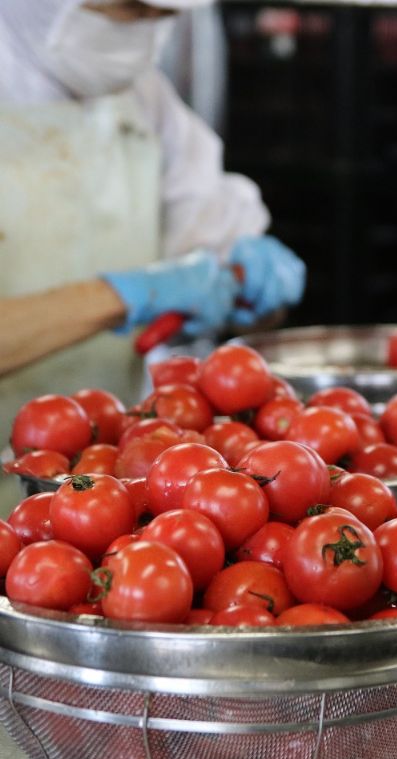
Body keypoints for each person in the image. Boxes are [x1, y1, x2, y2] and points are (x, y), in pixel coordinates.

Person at [0, 0, 305, 511]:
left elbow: (211, 242)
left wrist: (245, 283)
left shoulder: (143, 100)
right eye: (127, 8)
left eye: (161, 17)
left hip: (102, 482)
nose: (140, 31)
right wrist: (123, 295)